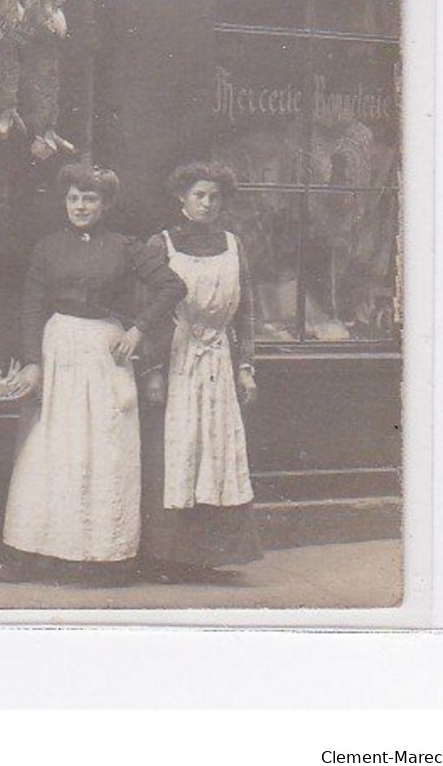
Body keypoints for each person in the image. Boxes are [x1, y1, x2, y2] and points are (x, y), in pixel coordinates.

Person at [0, 163, 187, 586]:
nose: (80, 206)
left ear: (105, 205)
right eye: (73, 198)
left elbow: (173, 286)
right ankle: (36, 551)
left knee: (102, 448)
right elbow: (31, 303)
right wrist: (32, 361)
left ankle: (99, 555)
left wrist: (138, 329)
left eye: (89, 199)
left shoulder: (125, 247)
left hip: (104, 353)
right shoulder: (47, 247)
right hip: (59, 348)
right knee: (51, 448)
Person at [137, 161, 263, 582]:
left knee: (216, 451)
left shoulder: (233, 245)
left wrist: (245, 367)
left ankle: (208, 557)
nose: (207, 204)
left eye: (214, 197)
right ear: (182, 199)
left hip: (219, 363)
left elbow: (245, 311)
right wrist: (152, 369)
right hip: (176, 360)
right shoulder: (163, 244)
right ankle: (165, 557)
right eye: (198, 196)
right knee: (177, 451)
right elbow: (148, 312)